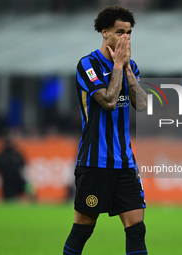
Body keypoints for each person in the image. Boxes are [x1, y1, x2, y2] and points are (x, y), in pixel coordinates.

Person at [63, 5, 148, 255]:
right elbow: (109, 101)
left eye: (129, 33)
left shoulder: (131, 66)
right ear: (104, 33)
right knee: (84, 227)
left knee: (136, 227)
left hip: (124, 162)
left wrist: (127, 69)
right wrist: (119, 66)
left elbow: (141, 104)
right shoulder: (87, 65)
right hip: (94, 161)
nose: (126, 38)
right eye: (120, 32)